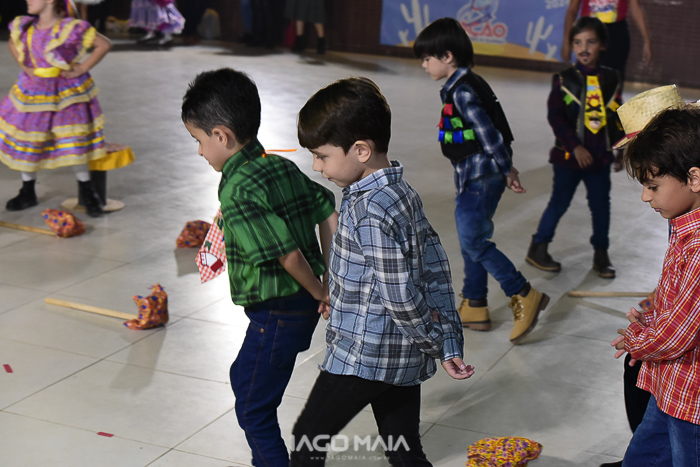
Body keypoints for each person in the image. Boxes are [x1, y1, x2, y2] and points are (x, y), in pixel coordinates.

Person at [290, 77, 473, 465]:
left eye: (322, 156)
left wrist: (437, 343)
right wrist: (447, 340)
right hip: (401, 356)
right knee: (404, 449)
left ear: (361, 150)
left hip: (365, 357)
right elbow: (434, 269)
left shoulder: (367, 209)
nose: (317, 167)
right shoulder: (402, 193)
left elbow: (400, 297)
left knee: (308, 437)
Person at [181, 68, 338, 467]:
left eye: (199, 141)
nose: (200, 152)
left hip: (278, 312)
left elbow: (287, 254)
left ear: (221, 136)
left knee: (252, 409)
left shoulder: (237, 190)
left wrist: (321, 290)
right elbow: (327, 210)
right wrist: (328, 277)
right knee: (244, 378)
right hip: (291, 310)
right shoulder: (277, 166)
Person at [413, 17, 549, 344]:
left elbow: (489, 135)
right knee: (470, 239)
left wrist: (507, 169)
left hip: (481, 178)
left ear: (447, 56)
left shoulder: (461, 91)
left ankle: (523, 292)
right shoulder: (464, 84)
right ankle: (475, 303)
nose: (423, 65)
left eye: (427, 58)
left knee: (474, 241)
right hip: (475, 177)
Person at [611, 102, 700, 466]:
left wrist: (638, 339)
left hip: (692, 402)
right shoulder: (683, 228)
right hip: (671, 389)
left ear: (694, 179)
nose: (645, 196)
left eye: (653, 186)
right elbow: (677, 304)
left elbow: (677, 336)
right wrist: (651, 317)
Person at [526, 17, 624, 279]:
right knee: (559, 202)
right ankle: (538, 246)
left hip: (600, 159)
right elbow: (556, 117)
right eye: (578, 42)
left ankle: (601, 254)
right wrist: (575, 147)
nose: (584, 48)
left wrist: (621, 147)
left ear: (602, 45)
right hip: (568, 158)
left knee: (601, 206)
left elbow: (616, 115)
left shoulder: (612, 78)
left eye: (591, 42)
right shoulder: (563, 79)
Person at [0, 0, 112, 217]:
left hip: (65, 93)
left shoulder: (69, 28)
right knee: (29, 138)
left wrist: (82, 68)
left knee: (73, 139)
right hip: (33, 91)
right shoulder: (25, 26)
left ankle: (87, 190)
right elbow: (13, 42)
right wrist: (25, 66)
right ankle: (27, 190)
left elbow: (103, 44)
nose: (28, 0)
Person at [561, 0, 652, 86]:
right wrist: (566, 42)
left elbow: (635, 7)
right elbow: (572, 10)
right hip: (589, 30)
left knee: (614, 78)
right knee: (587, 74)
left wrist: (647, 41)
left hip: (617, 33)